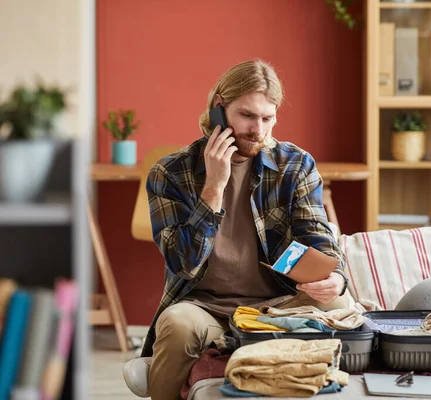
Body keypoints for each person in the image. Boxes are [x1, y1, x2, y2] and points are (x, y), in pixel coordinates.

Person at [122, 59, 350, 400]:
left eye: (267, 118)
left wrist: (337, 277)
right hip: (205, 307)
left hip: (280, 302)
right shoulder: (170, 173)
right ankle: (166, 374)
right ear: (219, 108)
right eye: (246, 115)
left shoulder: (295, 165)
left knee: (345, 309)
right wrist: (213, 188)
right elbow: (182, 262)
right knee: (176, 324)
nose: (258, 129)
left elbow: (318, 236)